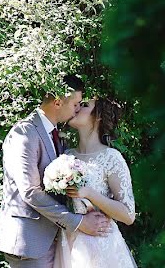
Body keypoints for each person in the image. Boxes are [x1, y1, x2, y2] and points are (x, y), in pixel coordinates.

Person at [0, 76, 114, 268]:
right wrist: (79, 222)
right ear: (58, 102)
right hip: (30, 241)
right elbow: (30, 191)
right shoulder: (25, 133)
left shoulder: (56, 134)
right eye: (75, 104)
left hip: (53, 238)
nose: (77, 109)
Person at [58, 98, 137, 268]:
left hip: (101, 246)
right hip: (69, 244)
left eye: (85, 105)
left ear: (98, 117)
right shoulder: (65, 156)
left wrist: (90, 194)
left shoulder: (112, 158)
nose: (77, 107)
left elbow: (129, 215)